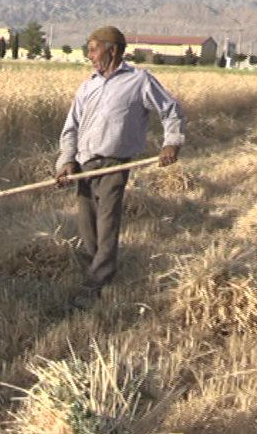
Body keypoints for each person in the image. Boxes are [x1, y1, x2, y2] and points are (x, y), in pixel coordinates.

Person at [55, 26, 185, 310]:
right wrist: (66, 161)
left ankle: (95, 285)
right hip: (84, 165)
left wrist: (171, 143)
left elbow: (170, 109)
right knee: (88, 227)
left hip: (114, 164)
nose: (89, 56)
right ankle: (96, 273)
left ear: (112, 49)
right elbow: (71, 127)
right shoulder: (88, 85)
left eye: (93, 49)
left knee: (107, 223)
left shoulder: (139, 81)